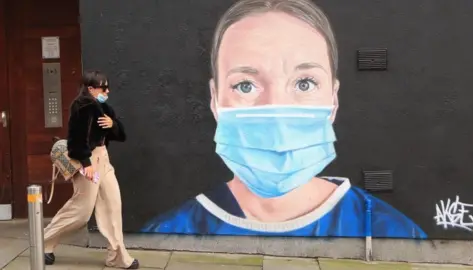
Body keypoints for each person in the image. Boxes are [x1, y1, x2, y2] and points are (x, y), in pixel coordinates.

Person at [142, 0, 426, 238]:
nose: (276, 110)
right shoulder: (168, 233)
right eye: (245, 85)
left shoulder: (392, 232)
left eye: (304, 83)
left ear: (334, 99)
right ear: (215, 100)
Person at [43, 71, 140, 269]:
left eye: (107, 86)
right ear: (90, 89)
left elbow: (121, 135)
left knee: (113, 204)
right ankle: (43, 241)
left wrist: (113, 125)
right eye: (103, 87)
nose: (107, 90)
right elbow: (75, 140)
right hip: (88, 160)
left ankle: (117, 257)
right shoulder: (82, 106)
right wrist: (86, 164)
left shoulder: (104, 108)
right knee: (81, 211)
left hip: (103, 159)